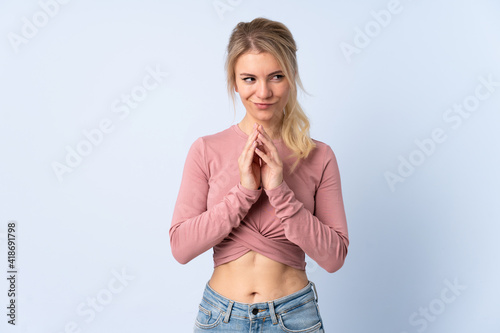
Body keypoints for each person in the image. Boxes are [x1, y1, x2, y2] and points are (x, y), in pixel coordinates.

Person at [169, 17, 349, 332]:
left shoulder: (319, 155)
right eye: (249, 79)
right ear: (234, 82)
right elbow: (181, 248)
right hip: (220, 318)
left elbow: (334, 258)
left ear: (291, 76)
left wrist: (279, 191)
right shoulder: (205, 150)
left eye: (276, 76)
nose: (263, 92)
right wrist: (244, 192)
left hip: (294, 317)